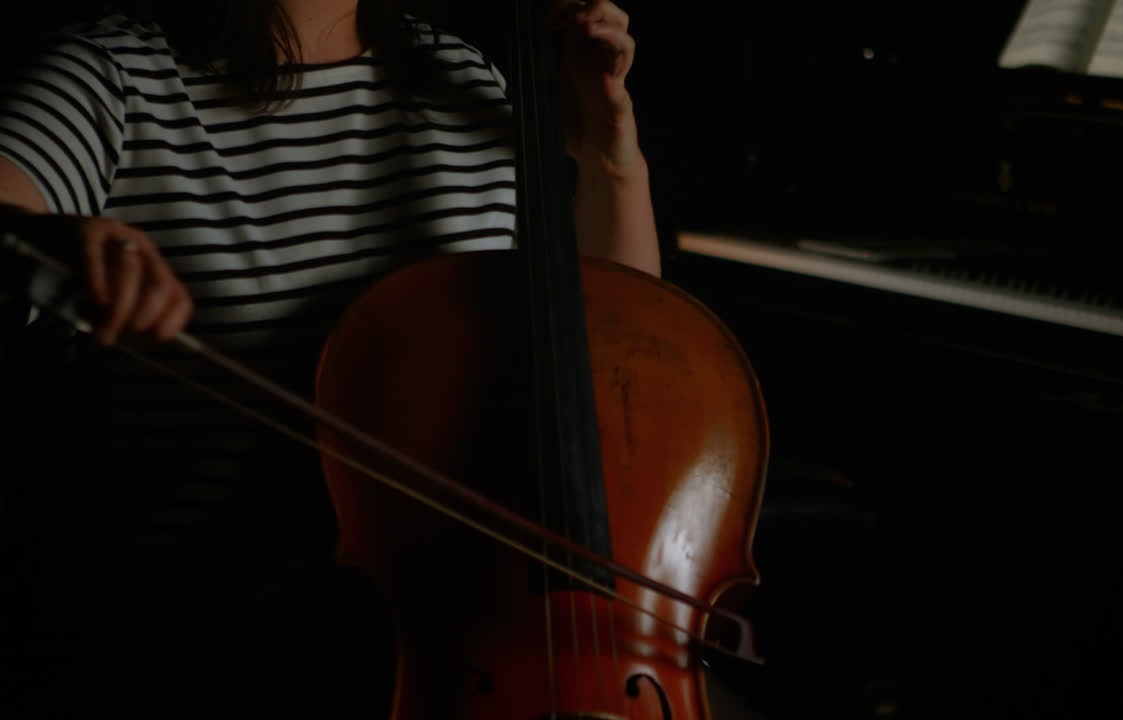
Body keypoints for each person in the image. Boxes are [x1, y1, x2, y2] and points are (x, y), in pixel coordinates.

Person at [0, 0, 658, 716]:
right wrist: (47, 242)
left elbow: (616, 353)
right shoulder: (111, 76)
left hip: (450, 661)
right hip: (191, 660)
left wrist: (606, 148)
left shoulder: (461, 73)